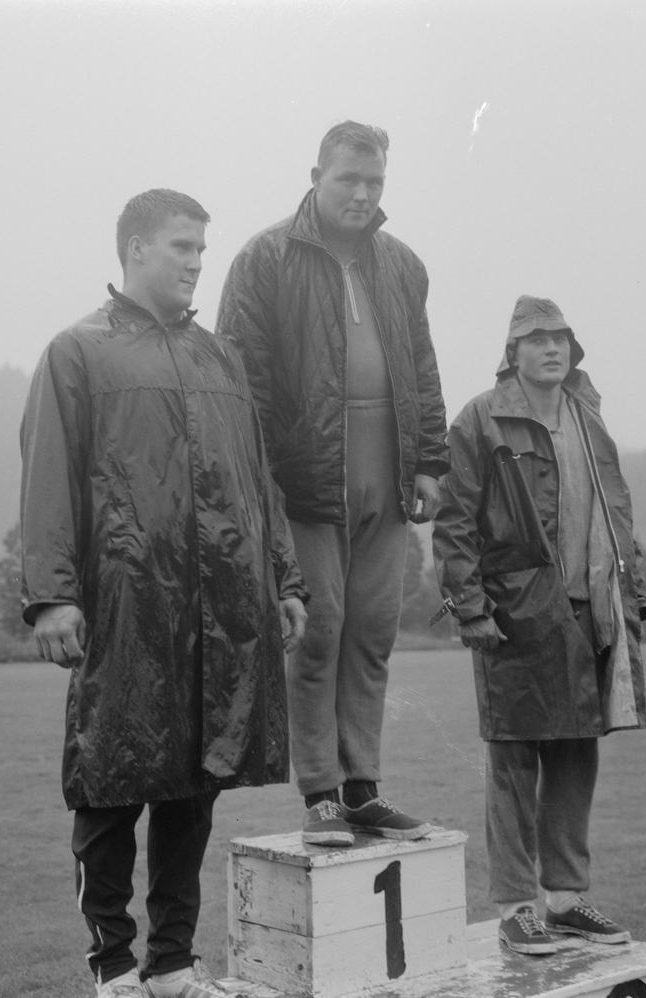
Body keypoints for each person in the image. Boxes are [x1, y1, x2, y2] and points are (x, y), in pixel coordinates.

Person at [20, 189, 308, 998]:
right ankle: (112, 968)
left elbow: (258, 479)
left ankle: (173, 963)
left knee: (196, 781)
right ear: (136, 248)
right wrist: (51, 595)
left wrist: (283, 577)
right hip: (123, 601)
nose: (195, 263)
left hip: (221, 605)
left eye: (201, 250)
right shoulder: (75, 352)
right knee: (111, 781)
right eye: (182, 247)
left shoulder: (221, 357)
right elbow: (47, 478)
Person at [217, 122, 449, 847]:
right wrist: (258, 483)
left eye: (374, 181)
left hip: (388, 472)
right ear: (316, 173)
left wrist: (431, 463)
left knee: (374, 632)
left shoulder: (403, 264)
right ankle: (319, 795)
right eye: (348, 178)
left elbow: (423, 367)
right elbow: (240, 380)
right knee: (317, 634)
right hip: (304, 481)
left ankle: (363, 788)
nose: (361, 193)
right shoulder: (264, 258)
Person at [433, 295, 646, 955]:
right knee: (512, 760)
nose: (552, 348)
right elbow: (454, 522)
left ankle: (567, 901)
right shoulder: (481, 419)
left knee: (576, 756)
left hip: (592, 614)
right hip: (515, 614)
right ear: (513, 352)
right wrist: (471, 609)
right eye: (537, 339)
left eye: (561, 338)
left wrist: (631, 594)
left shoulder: (590, 418)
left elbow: (616, 508)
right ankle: (516, 907)